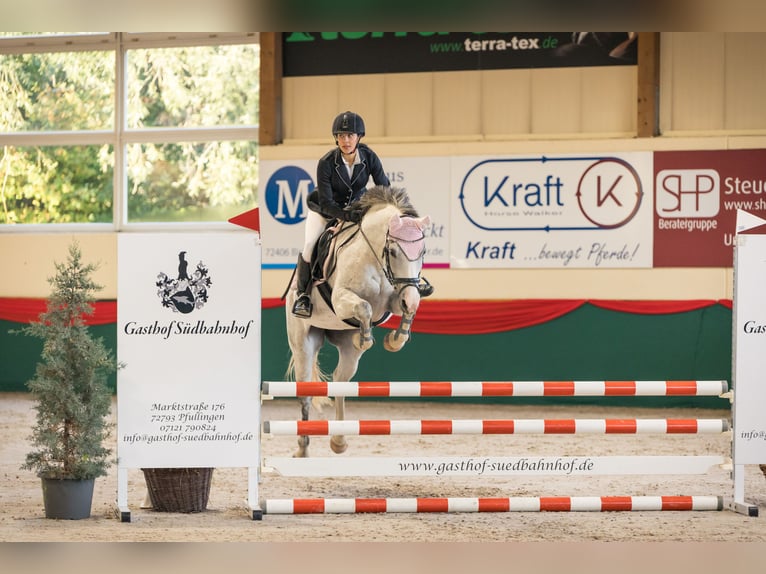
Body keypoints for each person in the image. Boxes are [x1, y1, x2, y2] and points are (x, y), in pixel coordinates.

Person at [292, 111, 390, 318]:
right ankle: (303, 296)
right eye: (341, 136)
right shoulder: (327, 162)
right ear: (336, 137)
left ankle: (396, 282)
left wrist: (384, 210)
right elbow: (327, 202)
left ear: (359, 137)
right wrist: (346, 216)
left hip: (357, 210)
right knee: (310, 246)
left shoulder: (369, 157)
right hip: (324, 211)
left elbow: (384, 187)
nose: (346, 140)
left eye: (350, 135)